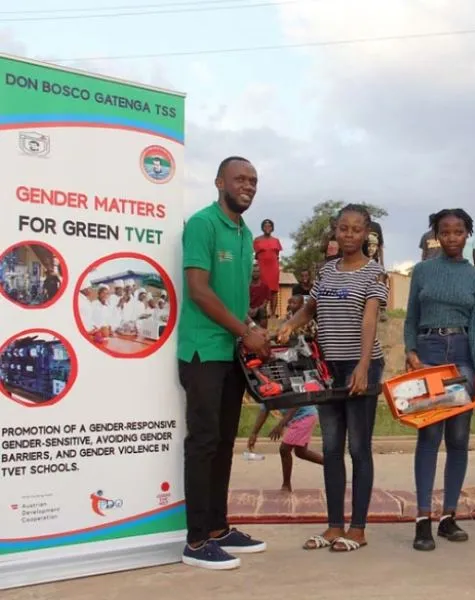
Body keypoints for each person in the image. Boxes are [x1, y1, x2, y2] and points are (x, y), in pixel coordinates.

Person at [277, 203, 388, 554]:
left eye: (356, 229)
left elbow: (370, 320)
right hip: (328, 368)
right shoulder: (326, 272)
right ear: (336, 231)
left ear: (366, 233)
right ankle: (333, 525)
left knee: (358, 448)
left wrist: (364, 365)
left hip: (361, 365)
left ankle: (357, 528)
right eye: (344, 228)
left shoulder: (375, 274)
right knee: (330, 447)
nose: (349, 234)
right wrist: (288, 325)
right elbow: (311, 307)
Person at [177, 156, 269, 570]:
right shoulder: (203, 224)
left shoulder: (245, 232)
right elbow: (199, 290)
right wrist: (244, 330)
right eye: (239, 179)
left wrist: (252, 326)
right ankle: (196, 541)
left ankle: (218, 527)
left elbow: (232, 295)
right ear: (219, 183)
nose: (247, 185)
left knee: (225, 443)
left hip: (233, 350)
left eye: (252, 180)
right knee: (204, 442)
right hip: (203, 352)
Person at [403, 208, 475, 552]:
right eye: (445, 232)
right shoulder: (423, 271)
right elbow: (411, 316)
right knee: (429, 435)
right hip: (429, 352)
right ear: (435, 236)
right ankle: (423, 518)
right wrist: (411, 351)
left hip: (462, 356)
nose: (452, 237)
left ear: (468, 234)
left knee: (458, 438)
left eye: (459, 232)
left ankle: (448, 516)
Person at [247, 403, 323, 492]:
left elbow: (296, 403)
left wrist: (280, 425)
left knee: (284, 449)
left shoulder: (284, 388)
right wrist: (254, 433)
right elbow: (264, 410)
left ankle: (286, 486)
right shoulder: (264, 391)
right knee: (301, 452)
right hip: (298, 418)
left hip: (305, 416)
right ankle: (332, 465)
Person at [254, 219, 282, 317]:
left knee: (274, 290)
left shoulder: (276, 240)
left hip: (273, 268)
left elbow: (277, 255)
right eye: (265, 226)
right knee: (262, 289)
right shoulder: (257, 240)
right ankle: (262, 313)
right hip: (262, 268)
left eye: (269, 226)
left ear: (272, 228)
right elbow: (256, 256)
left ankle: (273, 314)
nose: (267, 228)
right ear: (262, 228)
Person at [248, 264, 270, 329]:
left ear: (260, 273)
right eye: (254, 271)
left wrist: (256, 309)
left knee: (262, 310)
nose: (255, 273)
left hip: (259, 310)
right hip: (247, 310)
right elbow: (243, 300)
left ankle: (263, 331)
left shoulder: (265, 286)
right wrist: (248, 309)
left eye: (257, 271)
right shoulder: (246, 286)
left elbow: (265, 302)